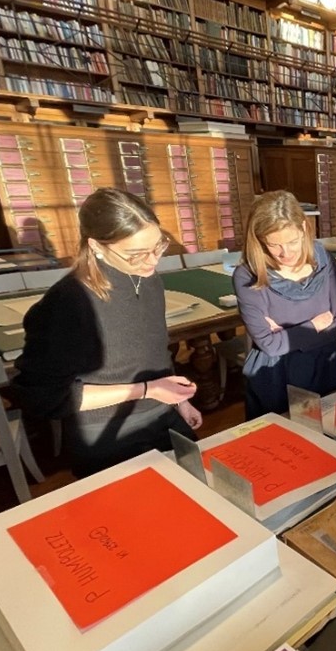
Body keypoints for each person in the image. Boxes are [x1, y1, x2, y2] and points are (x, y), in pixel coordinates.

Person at [14, 188, 202, 478]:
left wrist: (180, 400)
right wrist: (147, 390)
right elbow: (44, 397)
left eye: (158, 247)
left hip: (161, 415)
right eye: (136, 254)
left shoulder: (149, 281)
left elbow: (154, 351)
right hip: (106, 433)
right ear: (98, 246)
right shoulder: (68, 302)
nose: (152, 261)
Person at [234, 191, 336, 419]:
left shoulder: (323, 259)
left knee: (335, 443)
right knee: (283, 447)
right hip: (276, 377)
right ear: (259, 240)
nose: (284, 253)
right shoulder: (247, 275)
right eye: (273, 244)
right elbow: (269, 345)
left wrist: (288, 335)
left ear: (305, 229)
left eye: (292, 242)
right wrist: (315, 325)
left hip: (326, 369)